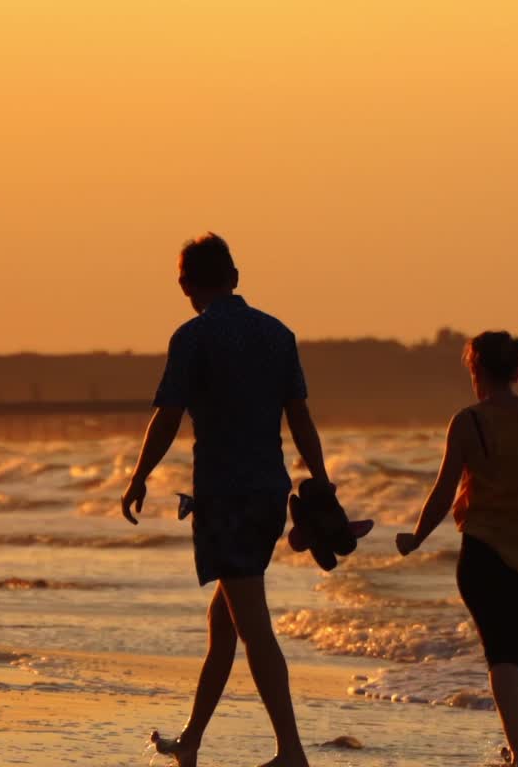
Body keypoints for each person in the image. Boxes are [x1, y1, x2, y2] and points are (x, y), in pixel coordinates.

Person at [122, 233, 331, 767]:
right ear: (235, 278)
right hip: (268, 495)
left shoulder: (193, 337)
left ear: (186, 285)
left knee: (253, 625)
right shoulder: (278, 334)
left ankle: (292, 752)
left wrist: (140, 474)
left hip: (224, 498)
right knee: (225, 624)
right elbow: (300, 417)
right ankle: (190, 742)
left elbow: (168, 415)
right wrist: (322, 480)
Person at [395, 331, 518, 767]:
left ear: (475, 371)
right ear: (516, 371)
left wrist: (416, 537)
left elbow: (443, 494)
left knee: (501, 651)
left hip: (486, 553)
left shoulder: (468, 422)